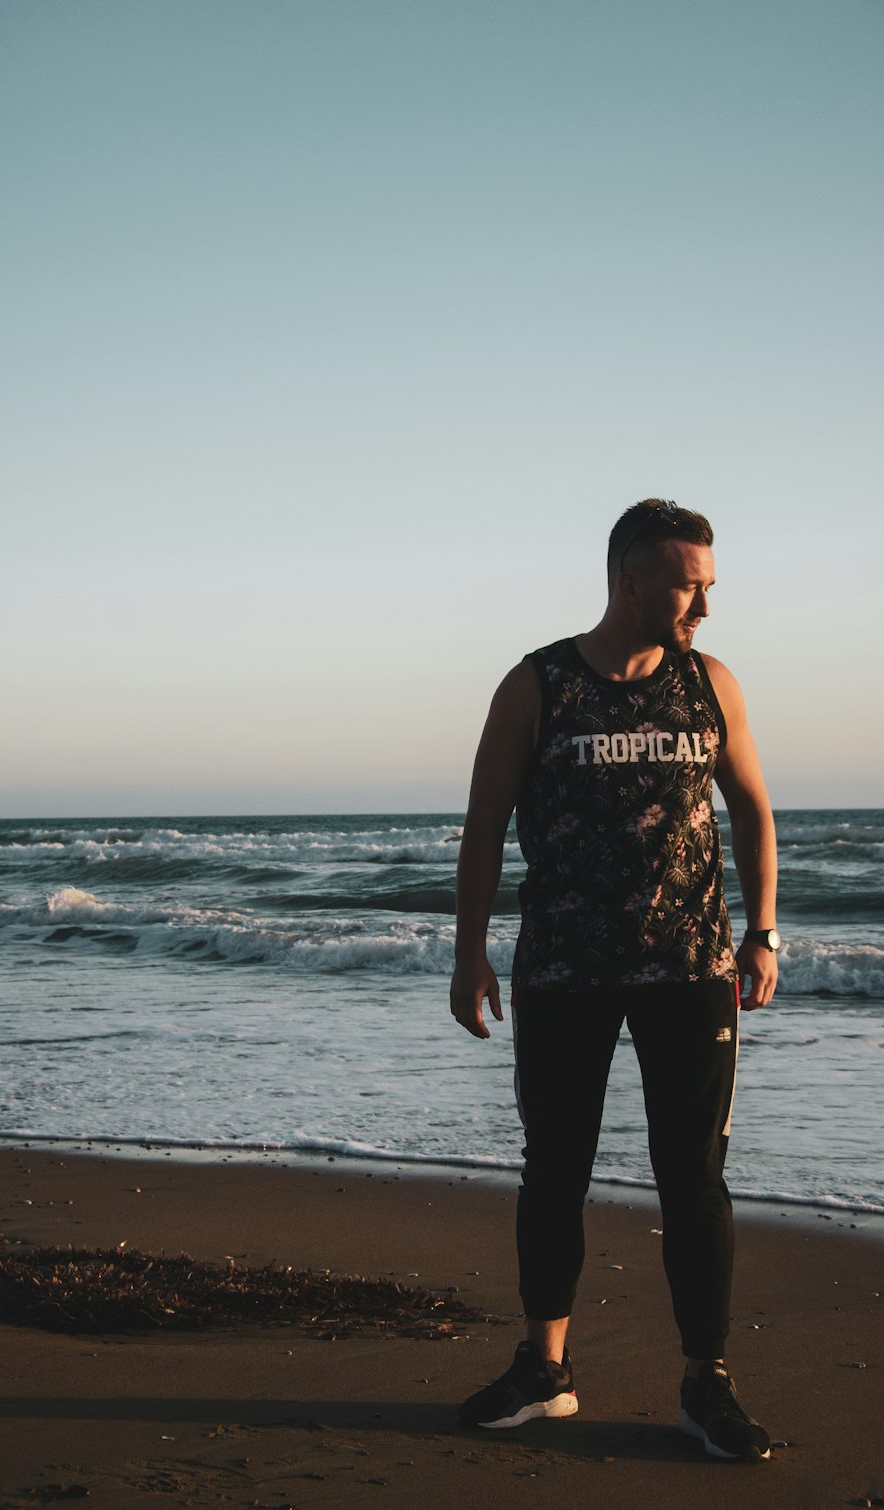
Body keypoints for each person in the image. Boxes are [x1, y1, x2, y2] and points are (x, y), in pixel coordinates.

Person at [449, 500, 778, 1463]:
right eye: (688, 585)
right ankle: (543, 1371)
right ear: (628, 581)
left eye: (710, 585)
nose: (704, 606)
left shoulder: (709, 684)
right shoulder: (537, 685)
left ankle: (705, 1383)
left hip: (690, 971)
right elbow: (481, 829)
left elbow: (755, 811)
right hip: (564, 972)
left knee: (694, 1180)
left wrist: (762, 934)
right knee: (554, 1171)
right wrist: (470, 952)